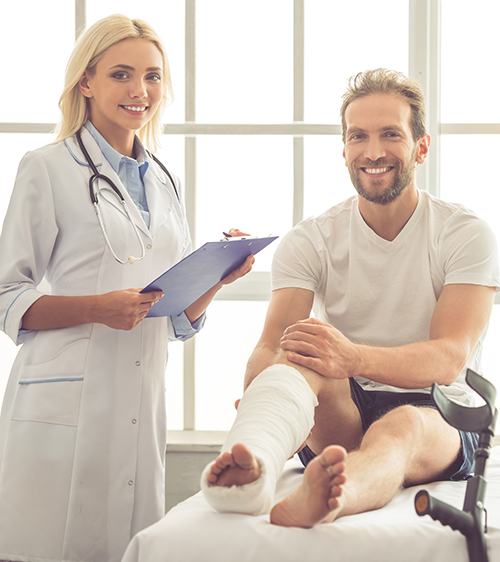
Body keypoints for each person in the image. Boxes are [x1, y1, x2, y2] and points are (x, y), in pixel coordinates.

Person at [0, 14, 253, 562]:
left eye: (153, 76)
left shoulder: (164, 179)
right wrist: (98, 309)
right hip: (63, 402)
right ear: (86, 82)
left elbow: (174, 316)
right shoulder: (46, 168)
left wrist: (218, 277)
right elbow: (6, 294)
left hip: (141, 398)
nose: (140, 91)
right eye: (121, 74)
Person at [200, 68, 500, 527]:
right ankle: (252, 465)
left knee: (402, 425)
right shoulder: (312, 238)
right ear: (344, 150)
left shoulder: (464, 233)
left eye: (390, 135)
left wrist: (352, 357)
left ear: (421, 146)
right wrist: (264, 387)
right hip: (345, 409)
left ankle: (332, 497)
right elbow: (271, 343)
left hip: (439, 409)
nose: (373, 151)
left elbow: (448, 359)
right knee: (301, 350)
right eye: (358, 136)